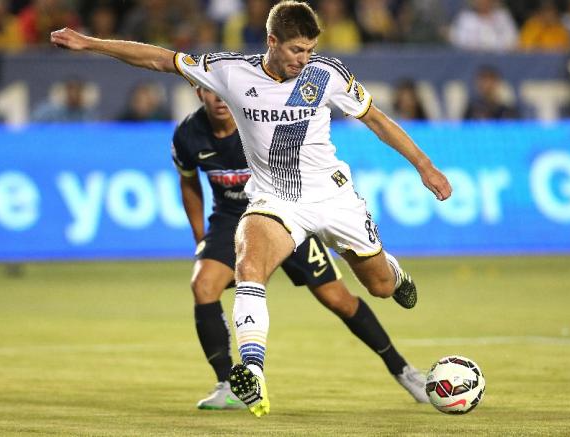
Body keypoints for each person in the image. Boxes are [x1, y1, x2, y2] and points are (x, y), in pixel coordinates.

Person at [51, 0, 452, 418]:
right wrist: (90, 43)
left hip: (333, 199)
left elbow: (378, 120)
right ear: (271, 41)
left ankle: (392, 269)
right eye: (297, 49)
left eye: (310, 49)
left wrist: (424, 166)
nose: (305, 58)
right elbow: (158, 59)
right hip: (275, 201)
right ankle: (252, 373)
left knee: (380, 287)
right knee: (249, 265)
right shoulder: (229, 71)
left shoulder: (326, 75)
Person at [174, 86, 428, 410]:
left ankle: (403, 370)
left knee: (338, 300)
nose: (220, 99)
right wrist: (201, 238)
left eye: (223, 92)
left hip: (284, 212)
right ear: (198, 92)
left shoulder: (258, 119)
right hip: (230, 220)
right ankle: (230, 384)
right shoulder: (188, 135)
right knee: (203, 285)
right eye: (210, 93)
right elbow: (188, 181)